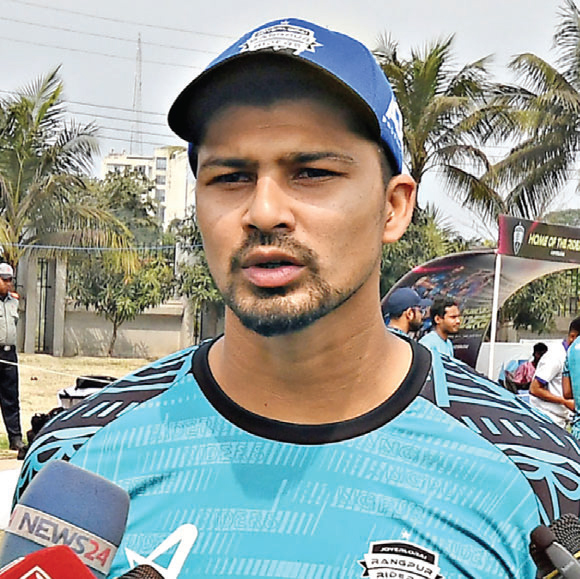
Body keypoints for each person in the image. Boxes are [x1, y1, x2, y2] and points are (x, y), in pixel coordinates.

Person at [12, 18, 580, 578]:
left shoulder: (542, 480)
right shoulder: (75, 461)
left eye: (311, 172)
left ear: (393, 207)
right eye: (230, 177)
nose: (263, 212)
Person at [529, 319, 580, 429]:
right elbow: (534, 388)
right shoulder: (556, 356)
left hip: (561, 422)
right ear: (573, 337)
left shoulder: (572, 356)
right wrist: (565, 402)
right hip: (545, 420)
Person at [0, 263, 23, 452]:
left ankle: (15, 438)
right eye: (4, 280)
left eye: (10, 280)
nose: (8, 283)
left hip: (9, 354)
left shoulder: (14, 302)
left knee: (11, 398)